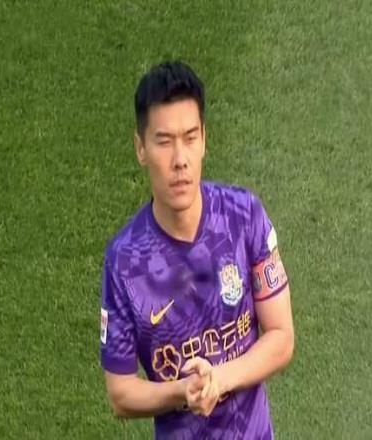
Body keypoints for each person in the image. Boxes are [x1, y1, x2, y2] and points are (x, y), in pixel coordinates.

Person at [100, 61, 294, 439]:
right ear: (140, 148)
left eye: (190, 137)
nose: (180, 160)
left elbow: (281, 335)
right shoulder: (124, 262)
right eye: (164, 141)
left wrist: (219, 379)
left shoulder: (244, 216)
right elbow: (120, 393)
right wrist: (182, 392)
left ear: (205, 138)